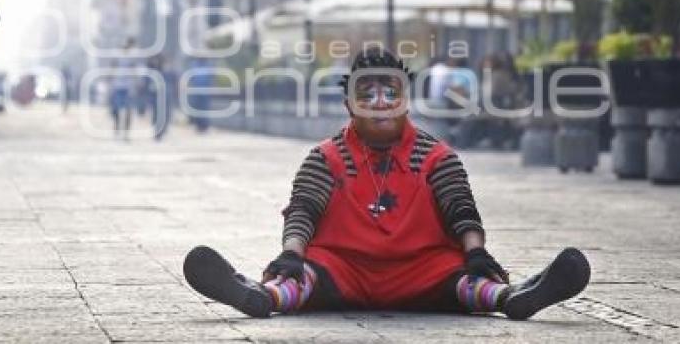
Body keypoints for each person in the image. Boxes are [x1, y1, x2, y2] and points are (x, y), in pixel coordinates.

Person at [184, 47, 589, 319]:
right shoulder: (324, 156)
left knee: (468, 279)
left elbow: (460, 209)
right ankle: (264, 297)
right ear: (349, 105)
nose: (380, 101)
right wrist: (291, 254)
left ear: (405, 100)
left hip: (423, 269)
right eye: (368, 93)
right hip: (342, 268)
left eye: (390, 91)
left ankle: (510, 298)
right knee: (301, 276)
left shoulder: (437, 156)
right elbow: (304, 210)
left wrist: (477, 252)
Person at [110, 38, 138, 140]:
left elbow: (134, 71)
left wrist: (135, 84)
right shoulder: (117, 55)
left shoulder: (133, 57)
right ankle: (117, 129)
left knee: (128, 111)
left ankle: (126, 133)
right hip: (117, 86)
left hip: (128, 87)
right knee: (117, 110)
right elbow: (112, 69)